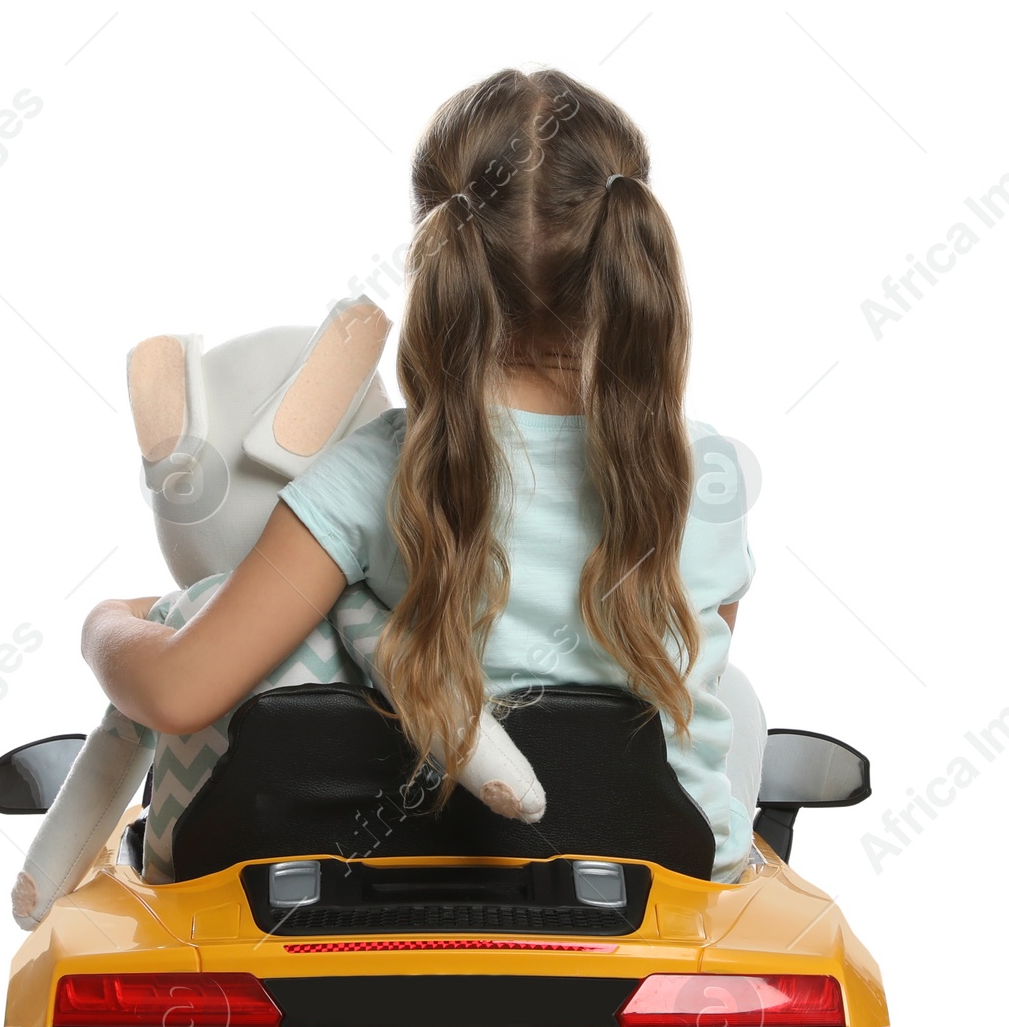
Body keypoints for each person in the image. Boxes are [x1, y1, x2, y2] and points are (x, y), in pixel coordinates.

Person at [81, 67, 758, 881]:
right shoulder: (705, 474)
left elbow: (178, 694)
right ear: (626, 246)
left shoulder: (372, 476)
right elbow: (695, 682)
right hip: (661, 895)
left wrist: (107, 624)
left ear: (438, 251)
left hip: (367, 912)